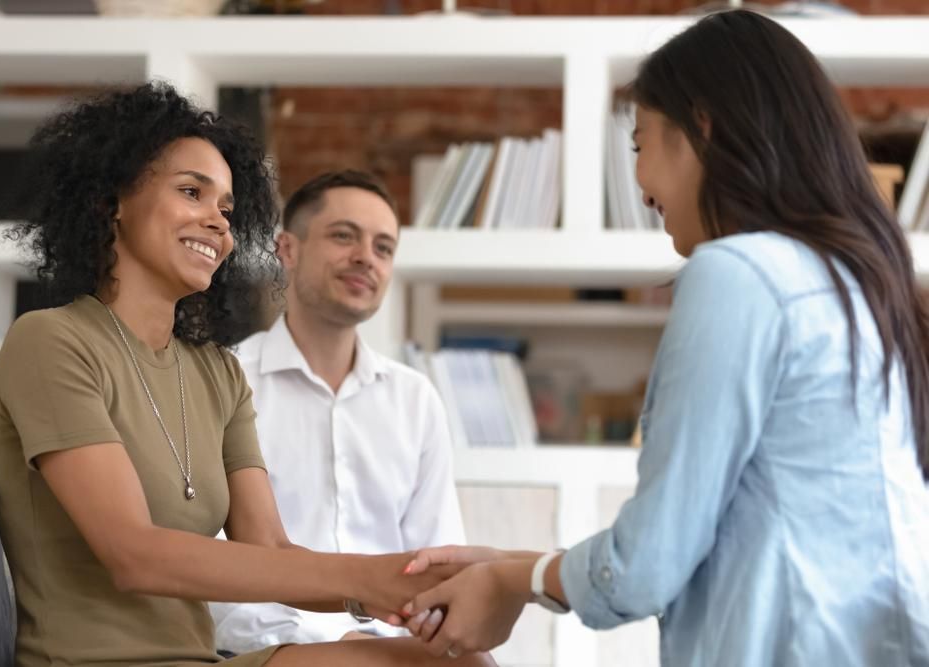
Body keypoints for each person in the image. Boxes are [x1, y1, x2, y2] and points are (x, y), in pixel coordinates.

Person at [394, 10, 929, 666]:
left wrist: (516, 581)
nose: (641, 187)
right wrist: (518, 566)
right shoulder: (854, 281)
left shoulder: (739, 274)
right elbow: (731, 528)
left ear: (701, 125)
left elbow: (646, 564)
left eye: (639, 143)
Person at [0, 81, 495, 667]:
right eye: (191, 193)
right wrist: (369, 577)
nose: (218, 223)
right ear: (111, 202)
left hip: (206, 661)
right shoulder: (52, 341)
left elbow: (271, 548)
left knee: (460, 661)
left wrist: (392, 597)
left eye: (227, 209)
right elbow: (134, 555)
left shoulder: (218, 374)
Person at [210, 170, 465, 651]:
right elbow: (213, 572)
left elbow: (436, 564)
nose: (365, 257)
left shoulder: (415, 399)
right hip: (268, 652)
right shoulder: (227, 381)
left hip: (397, 653)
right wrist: (337, 646)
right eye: (344, 236)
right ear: (287, 249)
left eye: (383, 248)